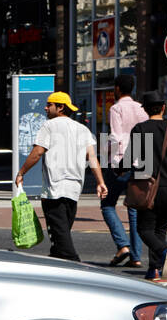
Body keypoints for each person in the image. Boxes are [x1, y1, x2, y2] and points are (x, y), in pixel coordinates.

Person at [14, 91, 107, 262]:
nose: (46, 107)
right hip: (74, 188)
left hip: (54, 188)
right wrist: (100, 182)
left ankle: (74, 264)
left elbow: (38, 152)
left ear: (60, 107)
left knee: (60, 234)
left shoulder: (48, 126)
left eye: (49, 104)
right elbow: (92, 158)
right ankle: (57, 262)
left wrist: (21, 172)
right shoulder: (83, 129)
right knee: (61, 233)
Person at [125, 90, 167, 280]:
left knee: (144, 229)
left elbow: (132, 157)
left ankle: (163, 252)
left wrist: (118, 169)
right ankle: (154, 269)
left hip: (149, 185)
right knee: (160, 229)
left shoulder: (140, 129)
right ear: (163, 108)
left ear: (145, 110)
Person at [103, 74, 146, 267]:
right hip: (143, 161)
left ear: (118, 88)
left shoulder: (116, 108)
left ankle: (123, 245)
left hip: (122, 161)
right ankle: (136, 257)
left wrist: (112, 160)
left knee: (107, 203)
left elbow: (115, 136)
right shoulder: (141, 109)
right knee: (135, 209)